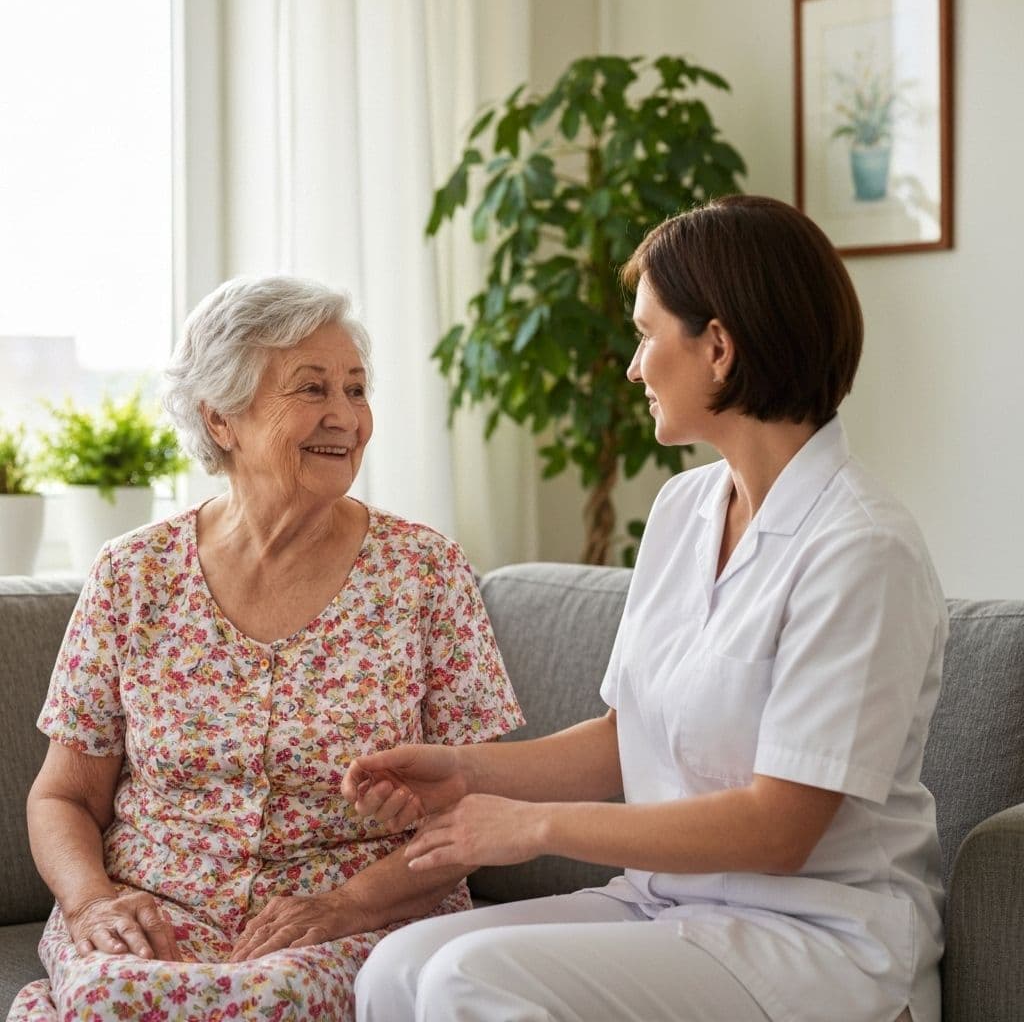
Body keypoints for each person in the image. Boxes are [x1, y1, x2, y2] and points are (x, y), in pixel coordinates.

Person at [342, 195, 947, 1022]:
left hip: (816, 935)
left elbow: (779, 830)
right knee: (395, 968)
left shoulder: (861, 549)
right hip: (669, 908)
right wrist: (464, 771)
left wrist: (536, 826)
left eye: (644, 332)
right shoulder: (684, 509)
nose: (631, 367)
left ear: (719, 348)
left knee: (467, 979)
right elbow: (632, 737)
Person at [9, 276, 523, 1021]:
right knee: (114, 992)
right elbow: (64, 794)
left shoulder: (425, 572)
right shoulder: (133, 575)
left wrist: (347, 904)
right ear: (222, 420)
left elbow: (484, 799)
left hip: (359, 912)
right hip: (152, 907)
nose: (345, 417)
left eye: (356, 388)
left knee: (272, 999)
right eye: (311, 390)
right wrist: (91, 902)